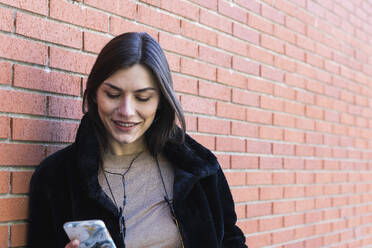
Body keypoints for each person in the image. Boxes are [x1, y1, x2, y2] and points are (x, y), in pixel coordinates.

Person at [27, 32, 247, 248]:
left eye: (143, 97)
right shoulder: (55, 177)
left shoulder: (200, 167)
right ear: (94, 94)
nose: (126, 111)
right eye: (112, 94)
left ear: (161, 100)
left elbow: (231, 241)